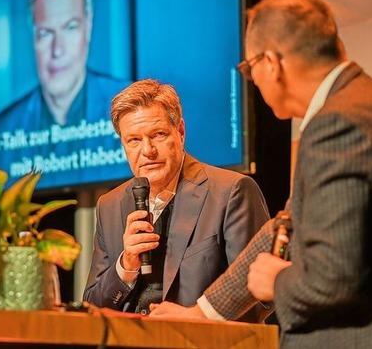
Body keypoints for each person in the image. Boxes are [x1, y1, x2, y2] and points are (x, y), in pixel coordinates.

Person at [154, 0, 372, 348]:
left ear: (271, 63)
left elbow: (336, 279)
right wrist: (202, 312)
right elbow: (285, 226)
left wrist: (275, 283)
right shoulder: (364, 103)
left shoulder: (340, 123)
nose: (253, 80)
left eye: (248, 68)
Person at [83, 79, 270, 314]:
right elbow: (92, 306)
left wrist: (198, 318)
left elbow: (260, 294)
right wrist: (125, 265)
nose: (148, 151)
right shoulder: (109, 205)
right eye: (134, 140)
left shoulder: (231, 191)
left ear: (180, 131)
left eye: (158, 135)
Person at [0, 0, 127, 131]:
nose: (57, 50)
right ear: (33, 38)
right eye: (46, 33)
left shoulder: (134, 107)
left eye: (70, 28)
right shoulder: (6, 126)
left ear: (88, 27)